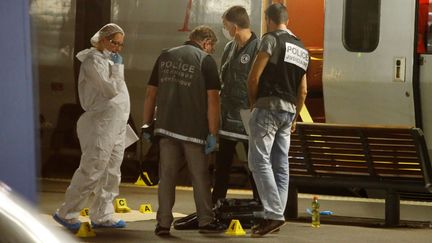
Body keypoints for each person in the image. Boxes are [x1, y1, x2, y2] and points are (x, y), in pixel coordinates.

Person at [142, 25, 226, 236]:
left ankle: (162, 223)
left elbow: (150, 94)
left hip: (166, 127)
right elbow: (213, 100)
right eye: (212, 47)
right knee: (199, 176)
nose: (210, 51)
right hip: (193, 130)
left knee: (167, 176)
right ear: (206, 42)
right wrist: (213, 133)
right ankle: (206, 221)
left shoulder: (165, 56)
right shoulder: (205, 61)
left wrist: (146, 124)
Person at [53, 23, 129, 230]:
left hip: (116, 122)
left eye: (121, 45)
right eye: (115, 43)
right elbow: (110, 90)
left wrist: (115, 66)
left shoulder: (108, 60)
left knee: (112, 171)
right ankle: (67, 213)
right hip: (100, 123)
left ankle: (102, 214)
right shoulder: (93, 61)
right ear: (103, 40)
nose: (118, 48)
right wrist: (117, 68)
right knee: (93, 168)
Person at [247, 3, 309, 237]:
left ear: (268, 20)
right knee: (280, 165)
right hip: (289, 111)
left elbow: (254, 77)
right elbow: (302, 90)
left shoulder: (270, 39)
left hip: (267, 107)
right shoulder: (301, 47)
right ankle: (276, 214)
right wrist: (294, 116)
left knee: (258, 161)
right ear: (287, 20)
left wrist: (254, 103)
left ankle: (273, 214)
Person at [212, 5, 260, 204]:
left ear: (234, 25)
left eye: (225, 25)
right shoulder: (230, 48)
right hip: (228, 116)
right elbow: (223, 77)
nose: (225, 29)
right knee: (222, 165)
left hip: (249, 117)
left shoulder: (259, 47)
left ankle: (262, 204)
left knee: (255, 164)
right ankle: (216, 203)